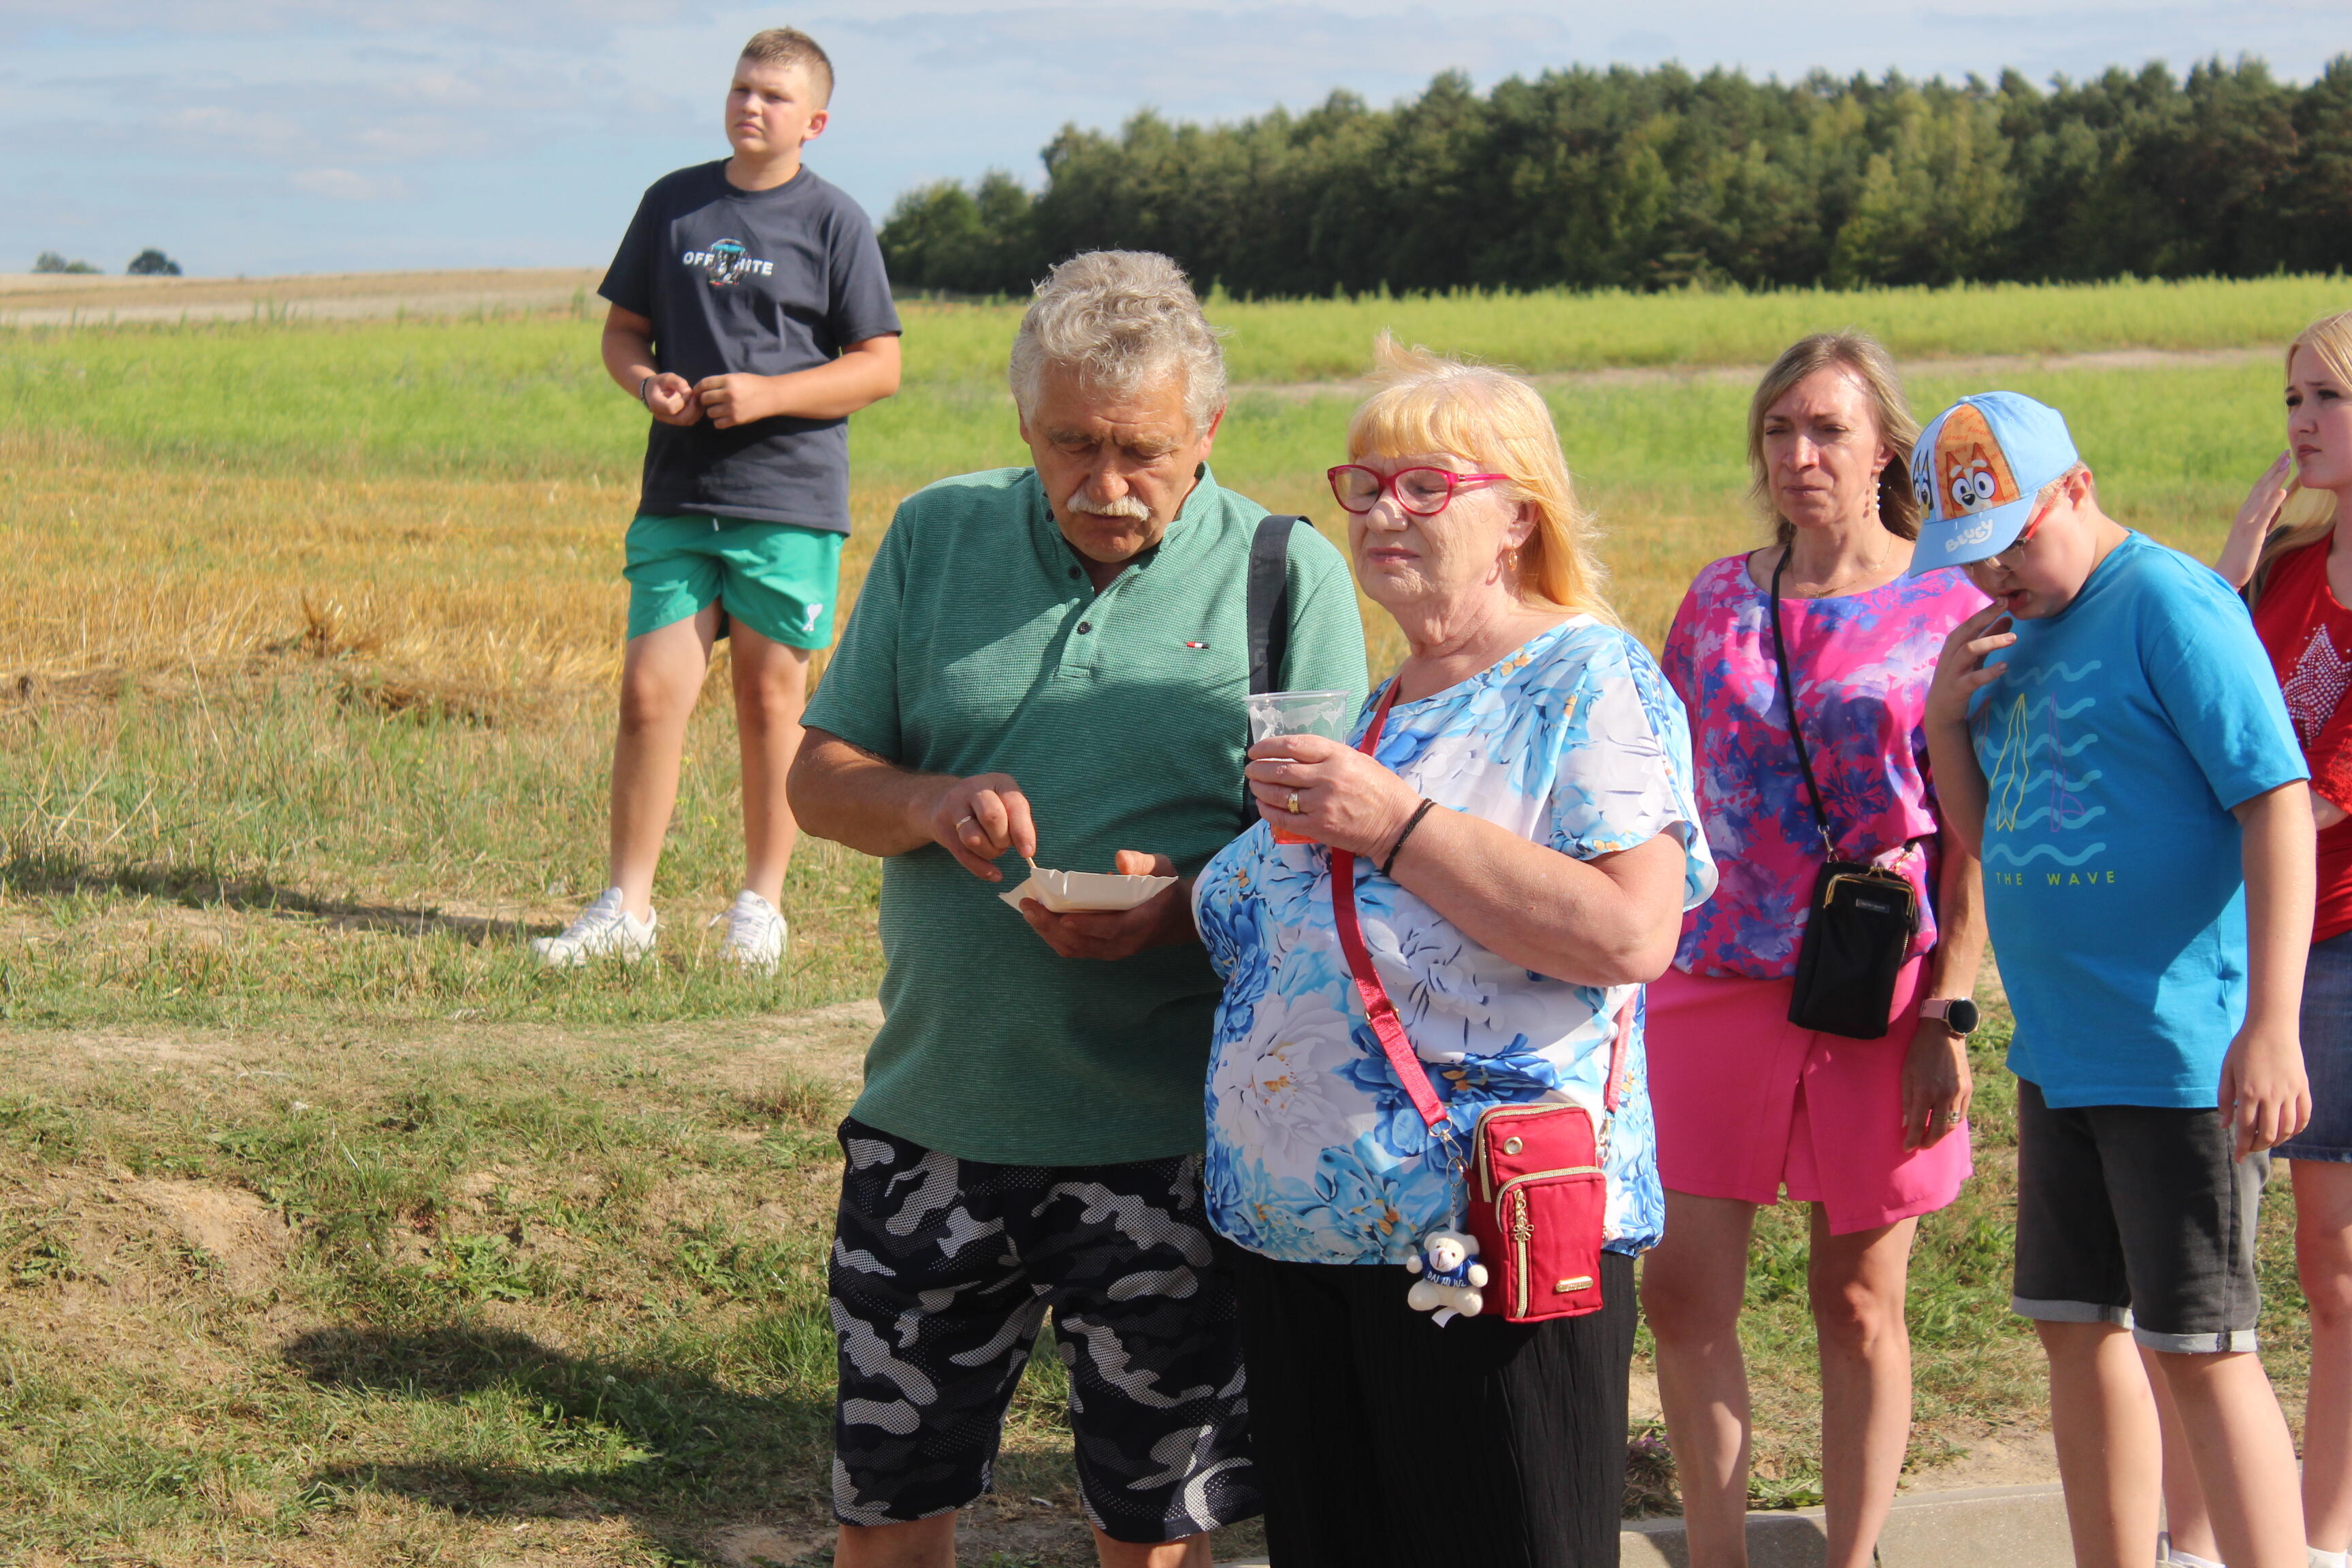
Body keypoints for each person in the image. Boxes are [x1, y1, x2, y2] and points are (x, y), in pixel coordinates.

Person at [785, 250, 1368, 1568]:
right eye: (1071, 445)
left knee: (1152, 1535)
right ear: (1023, 420)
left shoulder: (1286, 576)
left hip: (1172, 1147)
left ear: (1208, 430)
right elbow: (818, 784)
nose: (1106, 486)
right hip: (932, 1123)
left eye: (1142, 451)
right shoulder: (937, 536)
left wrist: (1179, 910)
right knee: (885, 1518)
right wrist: (930, 803)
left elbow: (1325, 855)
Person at [1190, 338, 1717, 1568]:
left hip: (1480, 1236)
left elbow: (1632, 931)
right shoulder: (1384, 707)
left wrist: (1398, 824)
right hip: (1307, 1243)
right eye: (1366, 485)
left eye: (1426, 486)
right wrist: (1162, 903)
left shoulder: (1586, 678)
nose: (1384, 512)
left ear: (1517, 516)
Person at [1923, 390, 2315, 1568]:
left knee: (2200, 1346)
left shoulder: (2169, 606)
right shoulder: (2003, 638)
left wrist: (2271, 1024)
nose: (1996, 574)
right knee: (2076, 1330)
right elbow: (1997, 837)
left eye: (2014, 542)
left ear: (2078, 488)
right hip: (2061, 1050)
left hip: (2177, 1052)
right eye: (1971, 557)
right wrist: (1945, 727)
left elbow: (2276, 804)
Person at [1642, 333, 1990, 1568]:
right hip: (1713, 975)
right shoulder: (1717, 600)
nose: (1800, 455)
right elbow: (1660, 790)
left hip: (1878, 990)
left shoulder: (1954, 606)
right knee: (1682, 1293)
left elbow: (1976, 832)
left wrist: (1950, 1011)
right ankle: (1718, 1555)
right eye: (1780, 429)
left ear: (1886, 446)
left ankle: (1852, 1556)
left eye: (1828, 430)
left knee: (1856, 1299)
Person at [533, 27, 902, 970]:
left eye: (775, 96)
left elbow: (879, 366)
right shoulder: (674, 203)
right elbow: (624, 334)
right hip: (678, 496)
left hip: (789, 502)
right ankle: (627, 909)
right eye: (742, 88)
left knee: (771, 703)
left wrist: (771, 396)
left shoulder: (836, 222)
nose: (752, 106)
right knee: (647, 696)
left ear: (814, 122)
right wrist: (646, 384)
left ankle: (759, 907)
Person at [2185, 306, 2352, 1568]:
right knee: (2206, 1255)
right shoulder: (2290, 566)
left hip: (2337, 946)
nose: (2300, 421)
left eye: (2327, 397)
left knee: (2335, 1263)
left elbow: (2316, 794)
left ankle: (2326, 1535)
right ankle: (2196, 1535)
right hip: (2237, 938)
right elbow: (2205, 712)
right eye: (2292, 397)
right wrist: (2235, 565)